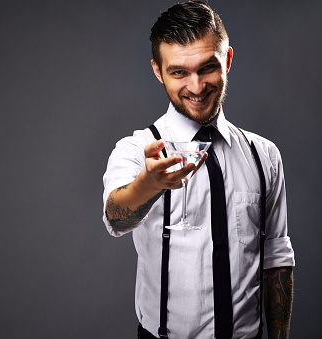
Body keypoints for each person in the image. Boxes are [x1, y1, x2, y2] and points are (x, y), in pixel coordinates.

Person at [101, 1, 295, 338]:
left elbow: (275, 258)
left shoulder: (264, 155)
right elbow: (116, 218)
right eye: (179, 72)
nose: (196, 86)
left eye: (207, 68)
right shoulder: (136, 149)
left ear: (228, 60)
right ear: (158, 71)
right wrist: (149, 184)